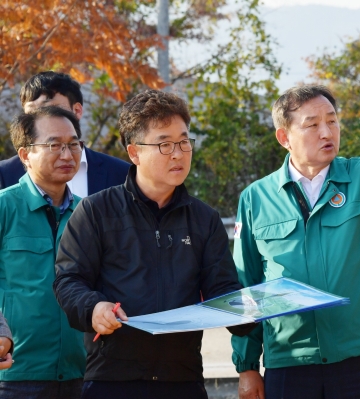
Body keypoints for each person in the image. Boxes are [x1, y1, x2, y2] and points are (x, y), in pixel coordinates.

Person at [231, 85, 360, 399]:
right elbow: (246, 290)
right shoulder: (256, 199)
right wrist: (246, 366)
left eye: (332, 121)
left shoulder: (359, 176)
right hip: (291, 360)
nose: (327, 131)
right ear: (284, 137)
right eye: (312, 124)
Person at [53, 90, 254, 399]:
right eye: (164, 144)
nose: (178, 153)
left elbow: (220, 289)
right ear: (134, 153)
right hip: (112, 379)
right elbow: (69, 280)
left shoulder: (204, 219)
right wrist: (94, 307)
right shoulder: (96, 211)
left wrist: (250, 310)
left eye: (184, 141)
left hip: (182, 380)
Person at [0, 106, 86, 398]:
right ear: (25, 155)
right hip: (15, 374)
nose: (67, 154)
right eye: (54, 145)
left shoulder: (90, 212)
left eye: (73, 144)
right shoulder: (4, 207)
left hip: (81, 372)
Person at [0, 71, 129, 196]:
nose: (41, 120)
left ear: (77, 110)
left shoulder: (121, 173)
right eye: (32, 114)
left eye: (50, 109)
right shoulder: (5, 174)